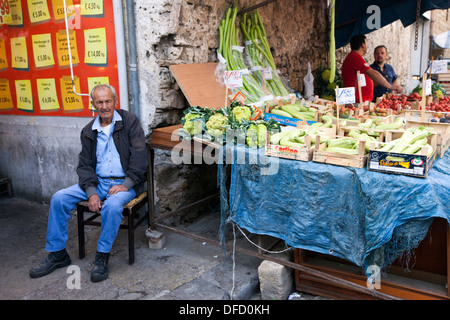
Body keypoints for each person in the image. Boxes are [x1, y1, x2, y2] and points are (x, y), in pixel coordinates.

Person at [29, 84, 148, 282]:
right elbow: (84, 166)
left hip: (124, 183)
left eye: (108, 101)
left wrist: (126, 185)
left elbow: (140, 157)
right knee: (59, 198)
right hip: (98, 182)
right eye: (99, 102)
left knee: (112, 205)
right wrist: (92, 191)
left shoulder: (129, 122)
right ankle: (58, 254)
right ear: (93, 104)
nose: (104, 106)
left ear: (115, 101)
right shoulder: (88, 131)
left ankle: (102, 256)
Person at [342, 35, 403, 103]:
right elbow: (373, 73)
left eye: (382, 53)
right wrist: (390, 87)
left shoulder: (354, 57)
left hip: (359, 101)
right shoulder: (355, 57)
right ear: (363, 45)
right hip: (357, 101)